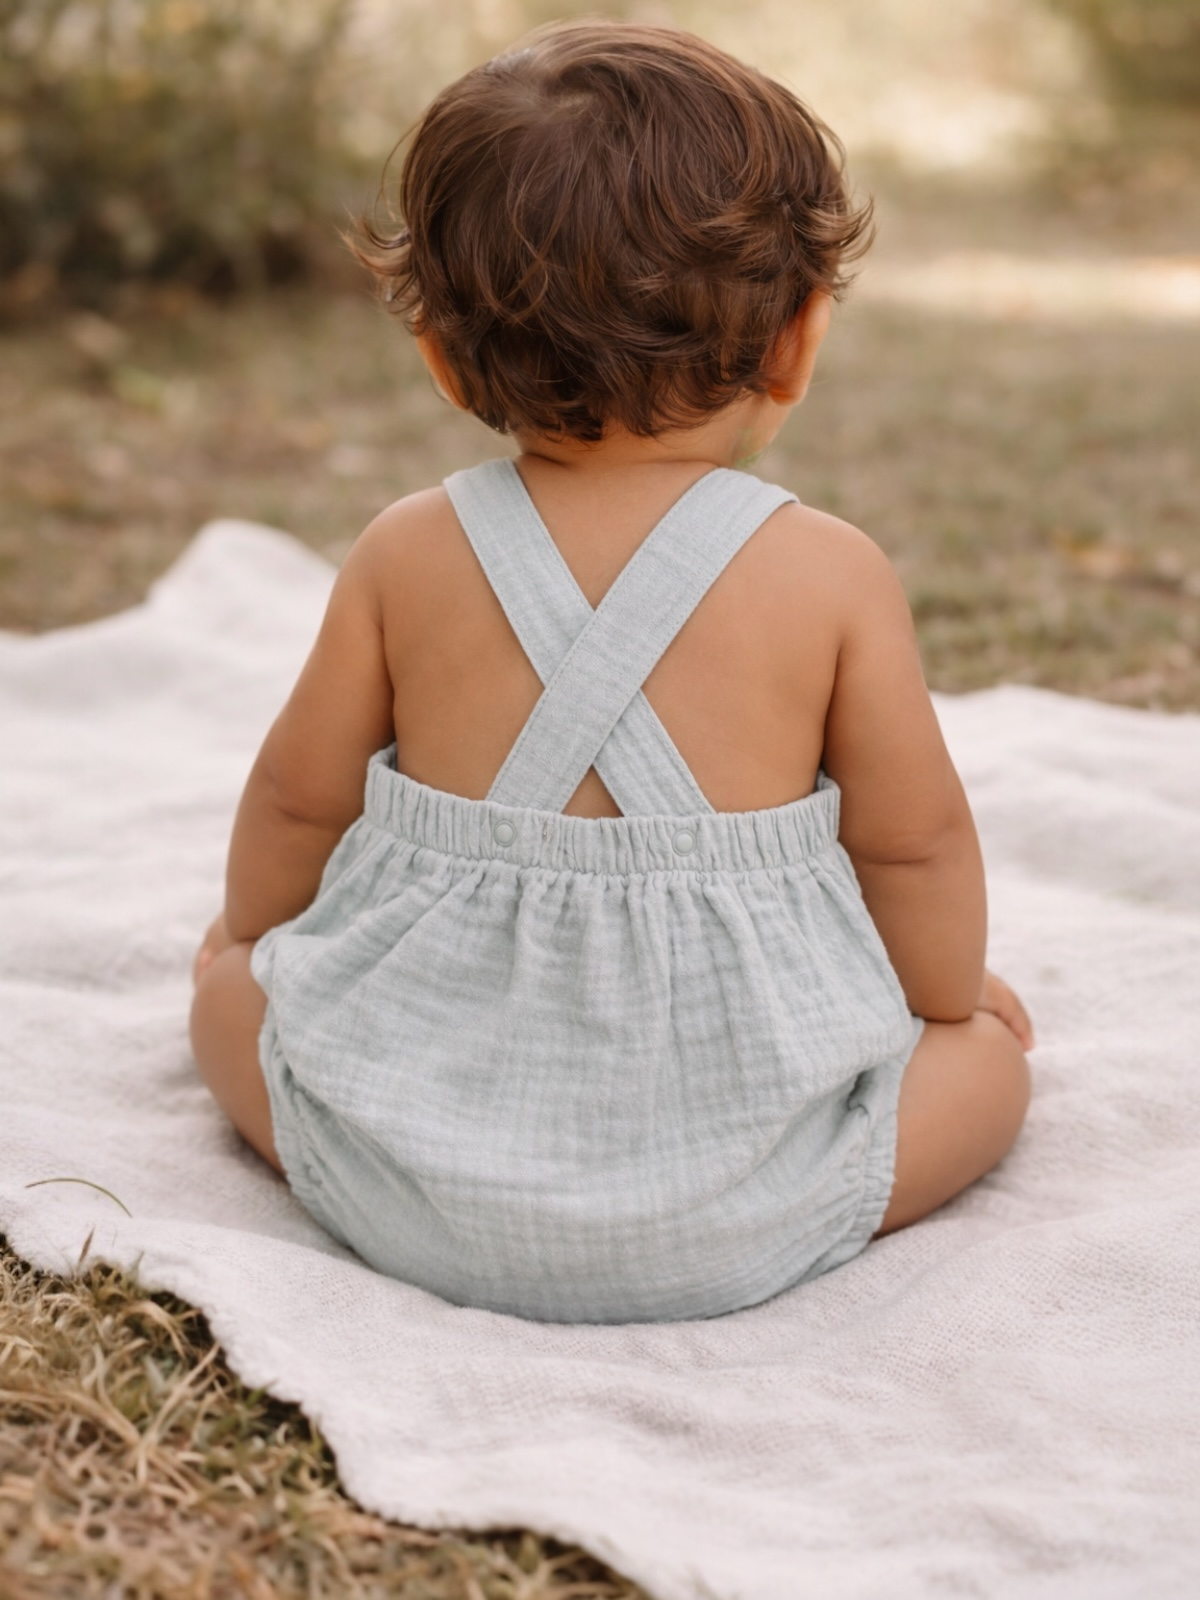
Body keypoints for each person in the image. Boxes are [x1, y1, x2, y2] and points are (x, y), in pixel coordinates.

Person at [190, 20, 1032, 1323]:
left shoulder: (405, 553)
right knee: (990, 1064)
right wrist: (943, 1001)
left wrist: (248, 943)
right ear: (799, 340)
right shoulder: (830, 573)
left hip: (415, 1187)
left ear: (443, 358)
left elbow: (302, 800)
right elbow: (914, 843)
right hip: (743, 1198)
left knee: (227, 999)